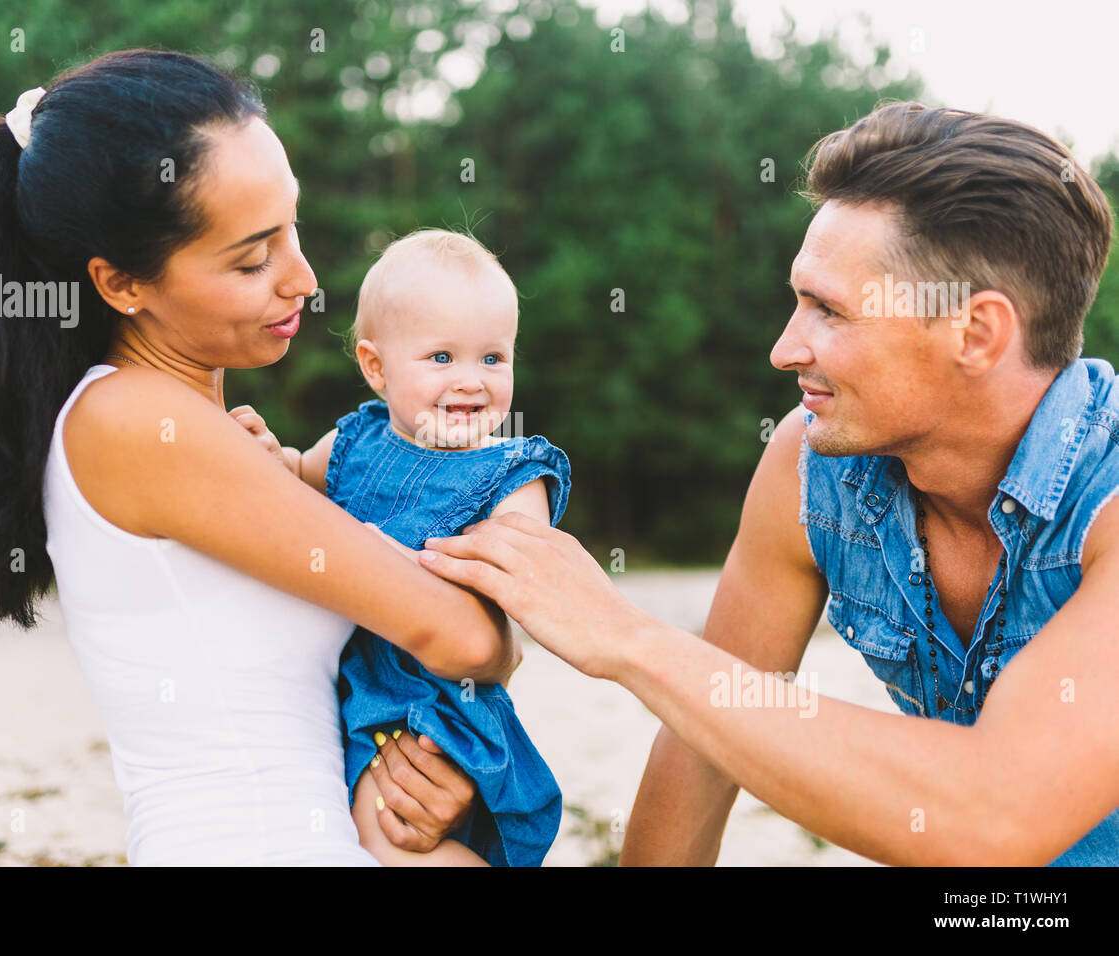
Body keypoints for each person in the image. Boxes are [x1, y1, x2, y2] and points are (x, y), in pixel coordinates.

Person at [418, 102, 1119, 865]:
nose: (786, 349)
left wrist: (626, 638)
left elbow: (994, 815)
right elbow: (702, 751)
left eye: (829, 311)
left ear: (976, 334)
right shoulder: (813, 465)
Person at [0, 49, 517, 865]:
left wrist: (419, 756)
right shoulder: (135, 423)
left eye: (294, 228)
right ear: (121, 283)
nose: (304, 280)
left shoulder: (192, 429)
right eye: (252, 259)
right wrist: (494, 634)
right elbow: (461, 638)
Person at [254, 228, 569, 866]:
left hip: (437, 705)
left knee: (389, 834)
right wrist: (266, 457)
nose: (471, 382)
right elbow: (293, 480)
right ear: (376, 367)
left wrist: (393, 564)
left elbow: (523, 580)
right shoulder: (354, 443)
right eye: (441, 358)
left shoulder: (513, 473)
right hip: (357, 689)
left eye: (492, 358)